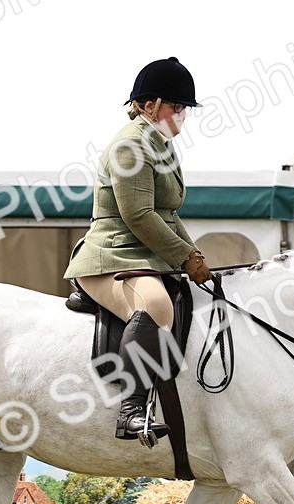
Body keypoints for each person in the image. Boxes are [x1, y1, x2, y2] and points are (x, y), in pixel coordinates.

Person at [63, 56, 212, 442]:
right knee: (156, 307)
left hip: (143, 256)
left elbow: (167, 212)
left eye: (184, 109)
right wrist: (184, 257)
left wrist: (195, 257)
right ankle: (130, 412)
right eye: (176, 107)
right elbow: (140, 215)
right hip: (111, 256)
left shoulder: (159, 144)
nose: (181, 116)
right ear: (149, 106)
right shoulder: (130, 146)